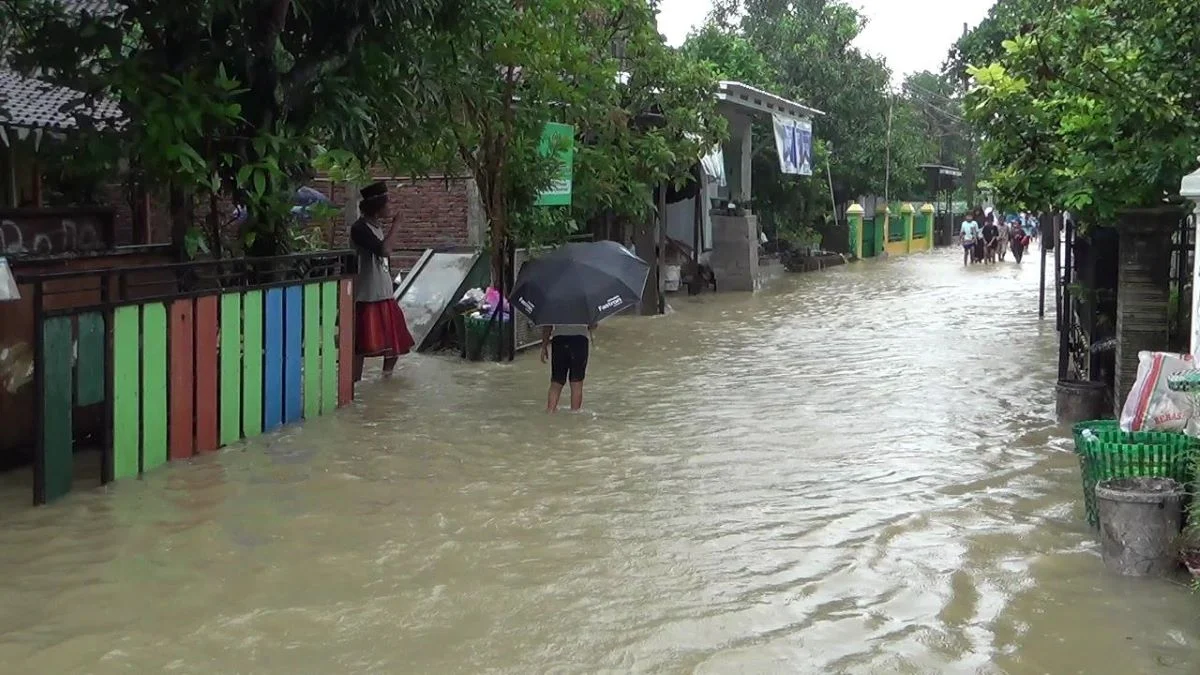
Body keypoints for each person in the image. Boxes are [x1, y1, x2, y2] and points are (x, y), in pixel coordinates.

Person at [350, 182, 414, 382]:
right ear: (377, 207)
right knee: (360, 345)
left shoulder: (376, 228)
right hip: (366, 295)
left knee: (394, 343)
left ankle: (387, 378)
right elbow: (384, 250)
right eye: (388, 203)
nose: (391, 207)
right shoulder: (359, 228)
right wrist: (397, 226)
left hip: (384, 293)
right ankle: (354, 383)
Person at [540, 323, 596, 412]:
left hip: (559, 341)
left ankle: (550, 411)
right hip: (579, 341)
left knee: (556, 383)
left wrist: (544, 346)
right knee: (576, 383)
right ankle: (574, 415)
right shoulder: (584, 309)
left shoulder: (553, 308)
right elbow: (593, 324)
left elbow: (547, 326)